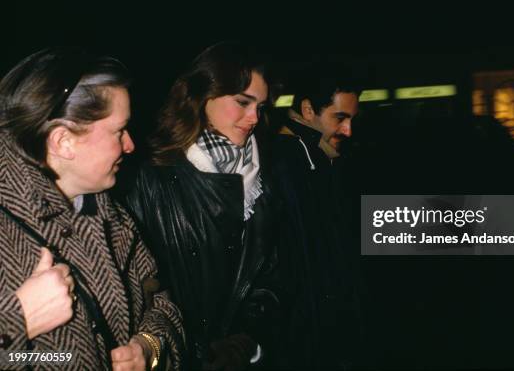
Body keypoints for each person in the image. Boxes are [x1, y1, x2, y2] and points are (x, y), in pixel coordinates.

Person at [0, 47, 185, 370]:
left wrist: (149, 348)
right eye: (119, 131)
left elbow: (162, 305)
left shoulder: (115, 217)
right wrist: (17, 321)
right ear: (63, 142)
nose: (130, 145)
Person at [125, 42, 280, 371]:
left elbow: (270, 272)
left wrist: (247, 341)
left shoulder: (263, 177)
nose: (254, 117)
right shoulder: (150, 176)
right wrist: (193, 351)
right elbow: (143, 288)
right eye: (242, 102)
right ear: (203, 95)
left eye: (260, 106)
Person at [272, 62, 364, 370]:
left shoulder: (321, 157)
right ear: (308, 109)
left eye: (352, 119)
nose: (348, 130)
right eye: (339, 117)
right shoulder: (291, 162)